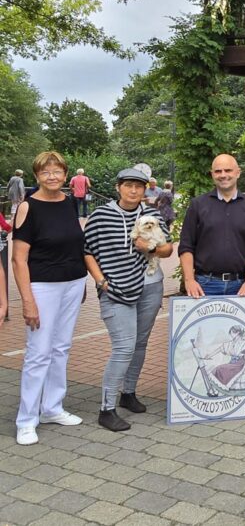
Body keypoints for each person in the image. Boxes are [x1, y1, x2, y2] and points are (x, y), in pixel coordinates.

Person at [83, 167, 172, 431]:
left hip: (150, 287)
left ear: (145, 189)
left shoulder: (153, 214)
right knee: (123, 346)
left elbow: (167, 249)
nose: (133, 191)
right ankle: (106, 408)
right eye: (128, 185)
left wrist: (152, 247)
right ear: (118, 187)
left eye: (139, 186)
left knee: (140, 343)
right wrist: (100, 281)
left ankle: (128, 393)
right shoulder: (101, 215)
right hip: (116, 290)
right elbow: (88, 251)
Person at [11, 152, 88, 446]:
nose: (52, 176)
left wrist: (80, 284)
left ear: (66, 175)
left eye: (57, 171)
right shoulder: (28, 207)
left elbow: (74, 246)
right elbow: (19, 260)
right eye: (46, 172)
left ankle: (52, 408)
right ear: (37, 176)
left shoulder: (69, 203)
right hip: (42, 286)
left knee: (61, 348)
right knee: (38, 352)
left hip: (72, 282)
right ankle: (26, 420)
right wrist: (27, 300)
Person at [178, 154, 245, 297]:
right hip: (204, 286)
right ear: (212, 174)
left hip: (240, 286)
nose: (223, 175)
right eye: (218, 171)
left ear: (238, 172)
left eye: (228, 170)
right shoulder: (198, 205)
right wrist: (189, 280)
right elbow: (186, 246)